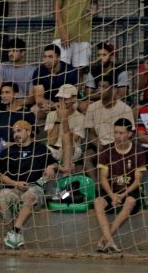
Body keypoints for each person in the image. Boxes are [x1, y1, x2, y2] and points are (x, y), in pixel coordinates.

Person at [0, 120, 58, 249]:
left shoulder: (40, 148)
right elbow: (1, 176)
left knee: (30, 197)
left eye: (19, 131)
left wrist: (51, 166)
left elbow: (54, 163)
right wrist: (15, 183)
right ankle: (14, 234)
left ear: (28, 132)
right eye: (14, 132)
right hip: (13, 187)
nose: (15, 134)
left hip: (34, 187)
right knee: (1, 197)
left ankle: (14, 232)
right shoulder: (7, 152)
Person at [94, 119, 144, 252]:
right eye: (115, 132)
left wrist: (121, 195)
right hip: (111, 190)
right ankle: (110, 241)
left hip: (129, 191)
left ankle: (103, 240)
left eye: (121, 133)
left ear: (129, 134)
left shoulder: (137, 151)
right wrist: (112, 195)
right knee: (98, 202)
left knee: (130, 201)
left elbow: (137, 181)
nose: (117, 136)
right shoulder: (107, 150)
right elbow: (103, 178)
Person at [83, 78, 134, 179]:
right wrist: (99, 145)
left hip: (118, 143)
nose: (100, 90)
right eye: (98, 87)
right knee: (86, 158)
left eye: (104, 87)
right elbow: (90, 133)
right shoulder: (92, 107)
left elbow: (129, 134)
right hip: (99, 144)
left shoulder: (125, 109)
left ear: (113, 89)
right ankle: (97, 187)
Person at [30, 44, 79, 122]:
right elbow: (38, 97)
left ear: (58, 58)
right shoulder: (39, 71)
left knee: (75, 106)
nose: (47, 60)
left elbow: (73, 97)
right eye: (45, 57)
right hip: (48, 104)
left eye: (50, 57)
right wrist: (45, 103)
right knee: (34, 110)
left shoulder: (70, 71)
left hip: (66, 103)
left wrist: (59, 104)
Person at [43, 84, 85, 173]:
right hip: (53, 149)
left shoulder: (81, 117)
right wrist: (58, 118)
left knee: (66, 145)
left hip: (72, 150)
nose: (62, 101)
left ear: (74, 99)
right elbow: (51, 141)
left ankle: (63, 168)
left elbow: (70, 141)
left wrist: (64, 119)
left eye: (65, 98)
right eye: (60, 98)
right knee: (41, 150)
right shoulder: (51, 115)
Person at [0, 82, 35, 157]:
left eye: (7, 92)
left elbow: (32, 139)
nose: (4, 96)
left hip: (19, 150)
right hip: (0, 150)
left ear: (16, 95)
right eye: (2, 93)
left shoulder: (27, 114)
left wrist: (12, 145)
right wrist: (2, 145)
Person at [0, 38, 37, 106]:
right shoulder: (3, 66)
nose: (10, 54)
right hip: (5, 103)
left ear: (23, 53)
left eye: (14, 51)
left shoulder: (32, 70)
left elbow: (31, 98)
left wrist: (15, 104)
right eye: (9, 51)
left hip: (23, 105)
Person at [83, 42, 129, 108]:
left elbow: (121, 96)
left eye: (104, 55)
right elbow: (88, 95)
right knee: (83, 105)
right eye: (99, 55)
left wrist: (100, 93)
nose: (100, 58)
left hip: (116, 104)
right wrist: (111, 92)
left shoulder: (121, 72)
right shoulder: (93, 72)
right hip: (97, 103)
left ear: (111, 57)